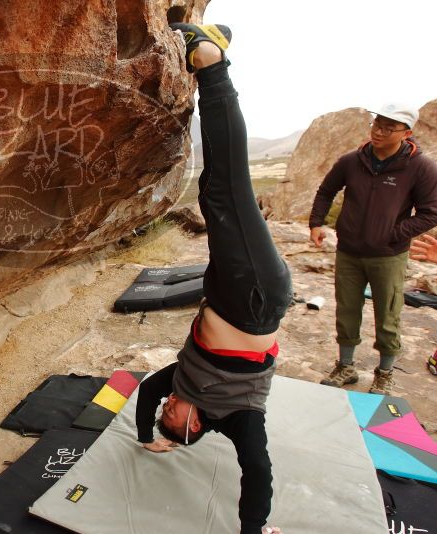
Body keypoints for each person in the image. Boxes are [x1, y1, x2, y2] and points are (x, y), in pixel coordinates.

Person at [135, 22, 291, 534]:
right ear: (194, 426)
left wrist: (147, 439)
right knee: (227, 188)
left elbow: (144, 396)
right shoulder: (240, 416)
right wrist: (254, 529)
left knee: (213, 193)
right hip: (255, 295)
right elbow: (259, 474)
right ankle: (212, 63)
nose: (168, 406)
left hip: (226, 291)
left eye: (166, 410)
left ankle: (215, 42)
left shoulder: (178, 386)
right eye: (171, 419)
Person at [309, 101, 437, 395]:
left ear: (406, 133)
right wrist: (316, 223)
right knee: (347, 310)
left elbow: (431, 212)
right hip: (349, 252)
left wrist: (394, 234)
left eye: (388, 128)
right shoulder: (352, 160)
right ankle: (346, 366)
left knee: (389, 314)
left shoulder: (420, 167)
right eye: (376, 124)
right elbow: (326, 191)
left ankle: (385, 372)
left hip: (389, 256)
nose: (378, 132)